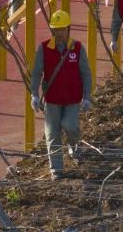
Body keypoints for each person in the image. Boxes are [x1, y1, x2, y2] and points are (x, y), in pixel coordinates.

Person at [29, 10, 93, 180]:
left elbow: (86, 73)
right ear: (52, 30)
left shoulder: (77, 48)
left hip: (72, 99)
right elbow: (36, 73)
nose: (60, 33)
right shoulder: (44, 48)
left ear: (68, 29)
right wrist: (34, 94)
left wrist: (87, 97)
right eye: (56, 29)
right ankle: (56, 169)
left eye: (63, 29)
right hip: (52, 100)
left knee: (71, 126)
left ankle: (74, 146)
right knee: (52, 134)